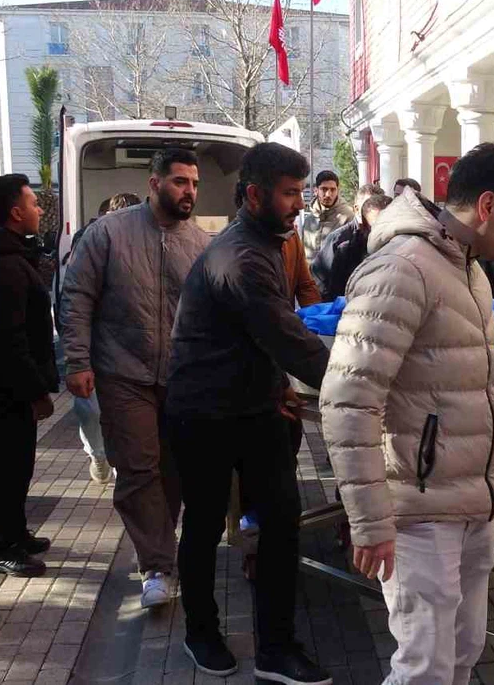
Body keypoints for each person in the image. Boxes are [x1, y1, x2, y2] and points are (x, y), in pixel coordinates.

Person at [322, 143, 494, 685]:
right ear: (487, 205)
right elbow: (349, 400)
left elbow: (471, 381)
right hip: (418, 513)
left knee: (464, 652)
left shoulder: (470, 271)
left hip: (474, 501)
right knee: (424, 668)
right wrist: (370, 523)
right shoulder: (402, 269)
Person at [166, 143, 332, 683]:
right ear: (256, 195)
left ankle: (276, 649)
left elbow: (261, 336)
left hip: (255, 408)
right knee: (204, 526)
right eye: (290, 193)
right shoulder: (240, 257)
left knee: (282, 520)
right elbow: (291, 341)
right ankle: (201, 633)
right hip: (204, 414)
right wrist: (360, 389)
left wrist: (277, 386)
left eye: (302, 193)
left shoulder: (268, 245)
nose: (301, 204)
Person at [61, 148, 211, 609]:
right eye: (180, 181)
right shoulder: (108, 233)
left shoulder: (201, 244)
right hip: (123, 372)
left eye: (194, 183)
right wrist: (77, 361)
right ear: (154, 183)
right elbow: (77, 297)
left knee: (173, 469)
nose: (189, 191)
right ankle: (157, 566)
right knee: (137, 468)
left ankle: (160, 546)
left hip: (181, 378)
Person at [0, 174, 60, 579]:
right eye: (34, 203)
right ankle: (3, 546)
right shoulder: (2, 264)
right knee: (7, 469)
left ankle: (16, 533)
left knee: (17, 467)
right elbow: (9, 339)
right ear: (16, 212)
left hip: (8, 386)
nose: (39, 209)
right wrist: (36, 390)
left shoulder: (9, 253)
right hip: (5, 389)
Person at [65, 191, 139, 485]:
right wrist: (77, 355)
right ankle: (97, 454)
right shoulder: (88, 241)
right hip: (95, 340)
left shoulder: (144, 243)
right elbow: (74, 298)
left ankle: (120, 467)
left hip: (128, 344)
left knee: (121, 414)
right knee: (90, 408)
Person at [310, 194, 393, 300]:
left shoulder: (404, 248)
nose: (383, 233)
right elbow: (325, 283)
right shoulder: (345, 250)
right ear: (364, 225)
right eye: (376, 227)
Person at [297, 170, 352, 261]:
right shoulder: (309, 219)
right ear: (316, 190)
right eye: (324, 189)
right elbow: (302, 252)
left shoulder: (348, 217)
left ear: (337, 191)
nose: (328, 194)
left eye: (332, 190)